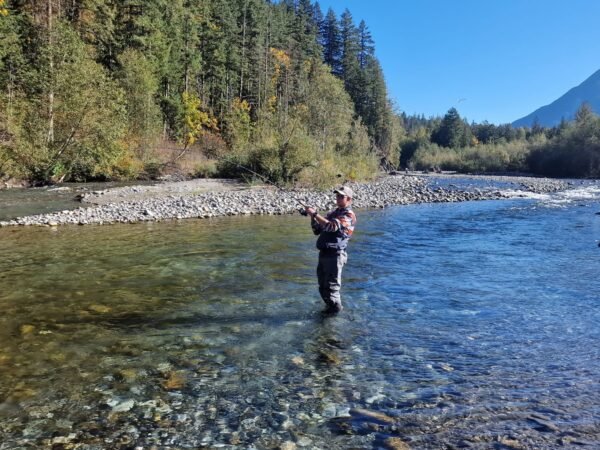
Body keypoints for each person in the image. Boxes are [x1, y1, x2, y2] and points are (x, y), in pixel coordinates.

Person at [305, 186, 357, 314]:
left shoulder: (349, 215)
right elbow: (317, 230)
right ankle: (329, 313)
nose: (338, 198)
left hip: (335, 256)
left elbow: (331, 226)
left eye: (341, 196)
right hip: (323, 255)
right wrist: (312, 216)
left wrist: (315, 214)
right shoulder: (333, 213)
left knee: (332, 289)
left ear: (349, 199)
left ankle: (336, 318)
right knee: (323, 288)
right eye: (337, 196)